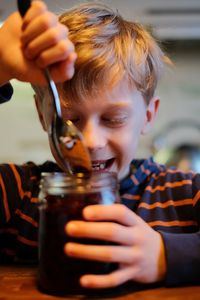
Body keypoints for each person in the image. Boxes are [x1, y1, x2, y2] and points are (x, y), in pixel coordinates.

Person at [0, 0, 200, 291]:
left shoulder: (185, 194)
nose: (91, 142)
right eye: (70, 118)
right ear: (43, 115)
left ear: (148, 116)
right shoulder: (17, 193)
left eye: (113, 118)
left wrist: (165, 255)